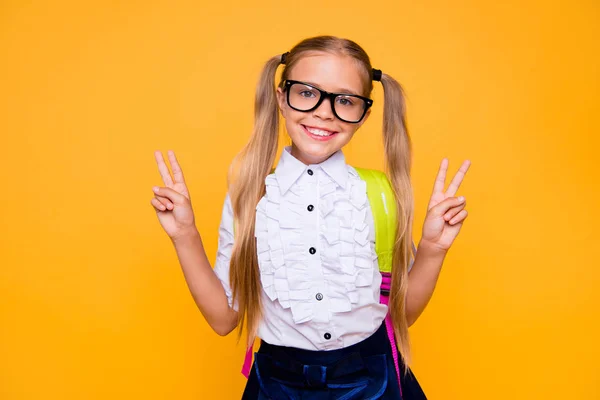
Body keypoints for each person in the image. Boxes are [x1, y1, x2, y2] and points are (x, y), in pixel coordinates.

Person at [151, 35, 471, 399]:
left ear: (363, 115)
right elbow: (224, 320)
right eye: (306, 93)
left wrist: (432, 247)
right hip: (278, 385)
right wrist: (185, 234)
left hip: (372, 381)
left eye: (345, 101)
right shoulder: (251, 196)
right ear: (280, 98)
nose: (324, 111)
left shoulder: (379, 195)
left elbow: (402, 315)